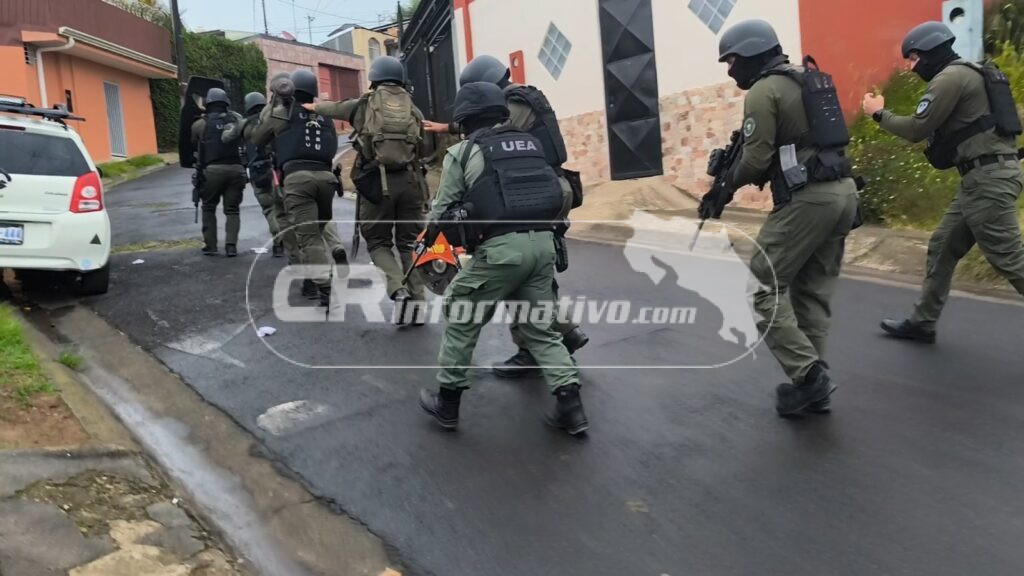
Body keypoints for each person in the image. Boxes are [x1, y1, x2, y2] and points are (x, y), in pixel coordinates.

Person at [417, 82, 588, 435]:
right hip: (543, 245)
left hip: (501, 252)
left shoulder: (463, 152)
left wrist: (431, 238)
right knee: (540, 328)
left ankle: (447, 404)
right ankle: (571, 406)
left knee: (460, 313)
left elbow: (443, 210)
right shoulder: (530, 144)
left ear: (465, 118)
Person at [717, 19, 859, 416]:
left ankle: (810, 377)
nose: (730, 71)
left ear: (751, 53)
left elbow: (755, 160)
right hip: (844, 193)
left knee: (762, 288)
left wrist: (726, 185)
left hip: (808, 200)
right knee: (811, 292)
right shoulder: (807, 78)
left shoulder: (764, 90)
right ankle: (811, 384)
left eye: (731, 61)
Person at [862, 21, 1024, 342]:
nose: (910, 67)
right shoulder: (972, 72)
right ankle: (922, 323)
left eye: (913, 58)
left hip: (987, 182)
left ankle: (922, 322)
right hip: (982, 178)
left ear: (929, 52)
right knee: (942, 246)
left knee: (1011, 260)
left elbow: (916, 129)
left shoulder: (950, 78)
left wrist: (878, 114)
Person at [303, 56, 429, 324]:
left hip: (377, 184)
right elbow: (426, 148)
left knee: (378, 242)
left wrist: (310, 106)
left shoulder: (364, 104)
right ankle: (418, 307)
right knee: (409, 243)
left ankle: (397, 288)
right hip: (410, 182)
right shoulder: (413, 108)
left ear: (374, 78)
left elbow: (331, 108)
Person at [252, 69, 344, 306]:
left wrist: (274, 107)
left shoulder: (282, 114)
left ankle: (324, 287)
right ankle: (330, 258)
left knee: (308, 237)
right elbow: (332, 147)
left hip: (297, 179)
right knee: (319, 231)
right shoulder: (325, 116)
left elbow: (258, 138)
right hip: (327, 180)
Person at [190, 88, 247, 257]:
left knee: (208, 207)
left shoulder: (200, 124)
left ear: (208, 103)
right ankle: (231, 246)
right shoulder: (236, 120)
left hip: (212, 171)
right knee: (232, 210)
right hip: (236, 170)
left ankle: (211, 245)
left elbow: (193, 145)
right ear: (226, 103)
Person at [237, 91, 286, 258]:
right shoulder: (271, 119)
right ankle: (290, 241)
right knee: (283, 207)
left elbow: (233, 143)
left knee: (269, 209)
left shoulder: (244, 126)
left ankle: (278, 243)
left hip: (257, 171)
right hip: (276, 169)